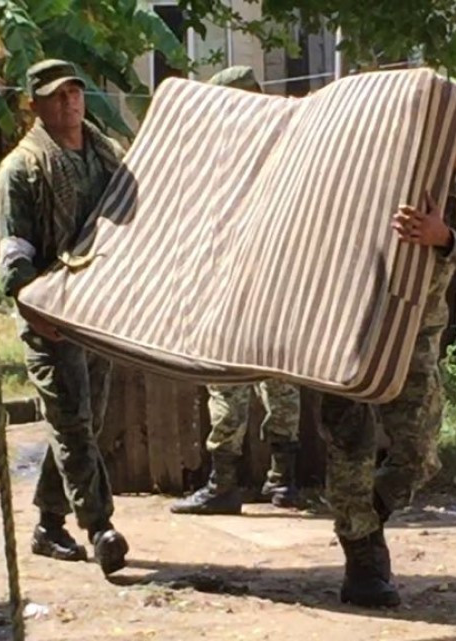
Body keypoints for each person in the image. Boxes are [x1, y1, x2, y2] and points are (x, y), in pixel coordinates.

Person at [320, 87, 456, 607]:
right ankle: (363, 559)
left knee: (418, 455)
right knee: (349, 443)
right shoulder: (375, 174)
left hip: (416, 337)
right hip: (347, 327)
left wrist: (445, 237)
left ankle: (362, 516)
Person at [0, 58, 129, 575]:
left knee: (84, 421)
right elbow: (14, 251)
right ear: (35, 104)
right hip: (48, 312)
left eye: (75, 91)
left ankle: (50, 524)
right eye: (56, 95)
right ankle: (101, 528)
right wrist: (30, 301)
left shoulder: (107, 155)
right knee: (73, 422)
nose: (69, 102)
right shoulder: (21, 169)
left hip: (96, 310)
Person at [170, 65, 304, 516]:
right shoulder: (289, 151)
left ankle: (227, 482)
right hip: (276, 279)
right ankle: (282, 481)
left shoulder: (221, 157)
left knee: (228, 378)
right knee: (277, 376)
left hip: (237, 281)